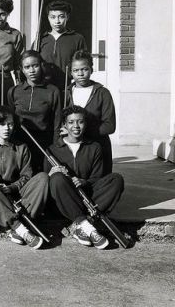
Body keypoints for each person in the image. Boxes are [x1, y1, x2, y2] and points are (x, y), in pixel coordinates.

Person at [46, 106, 124, 250]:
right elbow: (47, 181)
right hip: (65, 200)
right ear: (64, 125)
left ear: (85, 124)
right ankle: (86, 225)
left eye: (80, 122)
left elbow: (97, 177)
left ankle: (81, 225)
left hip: (86, 195)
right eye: (71, 122)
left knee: (116, 179)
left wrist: (84, 182)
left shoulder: (94, 147)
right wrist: (53, 174)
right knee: (57, 178)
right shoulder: (53, 149)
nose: (76, 126)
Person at [0, 106, 48, 249]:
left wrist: (12, 187)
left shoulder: (22, 147)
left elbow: (27, 175)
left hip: (18, 194)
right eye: (2, 124)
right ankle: (19, 227)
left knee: (43, 177)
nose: (6, 128)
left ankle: (21, 224)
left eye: (10, 124)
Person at [7, 50, 62, 172]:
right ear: (21, 69)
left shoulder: (52, 91)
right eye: (27, 67)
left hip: (43, 143)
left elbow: (57, 123)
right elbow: (10, 120)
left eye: (35, 66)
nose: (31, 71)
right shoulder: (14, 91)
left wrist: (55, 148)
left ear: (41, 65)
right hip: (20, 144)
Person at [66, 50, 116, 174]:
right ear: (71, 72)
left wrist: (82, 131)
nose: (80, 74)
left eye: (85, 69)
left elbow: (110, 126)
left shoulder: (102, 93)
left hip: (97, 145)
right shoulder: (66, 93)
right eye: (76, 70)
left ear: (91, 69)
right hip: (74, 147)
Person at [39, 0, 86, 91]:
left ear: (67, 17)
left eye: (61, 17)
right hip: (44, 88)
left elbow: (83, 63)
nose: (57, 21)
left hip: (68, 87)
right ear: (48, 18)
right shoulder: (41, 39)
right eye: (53, 17)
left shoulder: (77, 38)